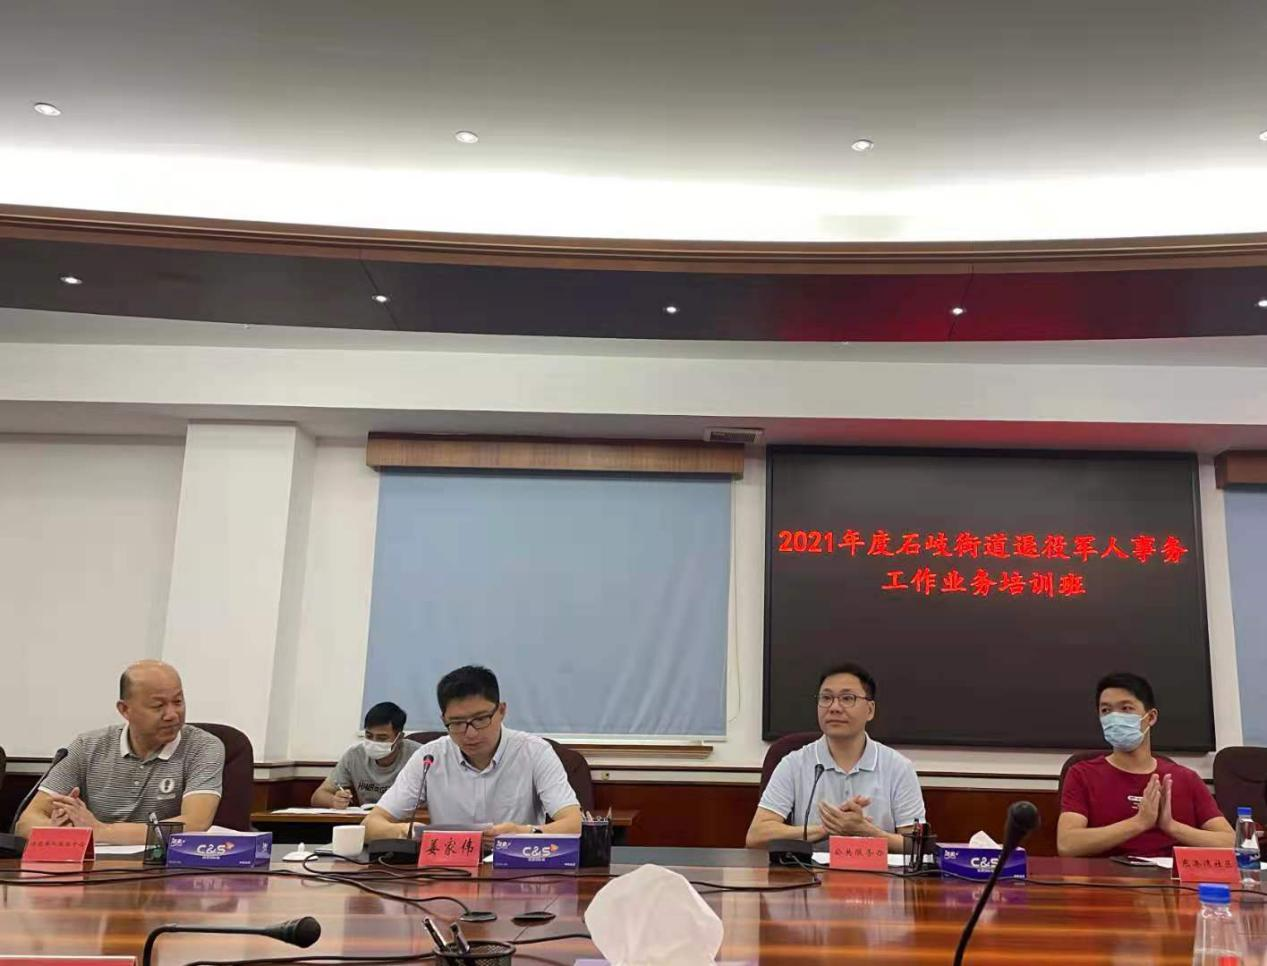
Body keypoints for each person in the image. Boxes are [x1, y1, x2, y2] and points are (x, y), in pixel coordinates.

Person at [364, 665, 582, 843]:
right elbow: (371, 825)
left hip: (517, 869)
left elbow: (574, 825)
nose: (470, 733)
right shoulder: (429, 757)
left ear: (501, 711)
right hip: (447, 870)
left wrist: (522, 832)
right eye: (457, 723)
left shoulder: (535, 752)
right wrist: (406, 832)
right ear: (444, 720)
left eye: (481, 719)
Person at [15, 660, 224, 845]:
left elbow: (194, 824)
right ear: (125, 710)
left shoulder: (203, 747)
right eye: (158, 706)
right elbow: (26, 822)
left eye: (178, 702)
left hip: (164, 868)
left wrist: (102, 831)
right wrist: (60, 831)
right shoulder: (87, 746)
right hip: (94, 869)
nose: (172, 714)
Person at [746, 662, 925, 852]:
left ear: (870, 710)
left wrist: (867, 832)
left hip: (879, 870)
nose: (834, 707)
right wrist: (825, 829)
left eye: (847, 698)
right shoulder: (793, 764)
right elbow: (756, 836)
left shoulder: (898, 768)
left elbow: (917, 845)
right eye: (826, 698)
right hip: (809, 871)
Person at [1057, 672, 1233, 858]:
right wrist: (1139, 823)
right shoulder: (1082, 774)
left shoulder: (1185, 778)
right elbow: (1067, 845)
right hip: (1106, 875)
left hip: (1169, 875)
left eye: (1126, 708)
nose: (1115, 718)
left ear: (1151, 717)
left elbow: (1231, 843)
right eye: (1106, 710)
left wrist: (1172, 827)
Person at [311, 702, 421, 807]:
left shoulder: (419, 756)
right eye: (369, 735)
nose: (373, 742)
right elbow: (318, 796)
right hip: (366, 818)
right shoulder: (354, 755)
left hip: (404, 818)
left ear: (399, 737)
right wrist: (334, 801)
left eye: (382, 738)